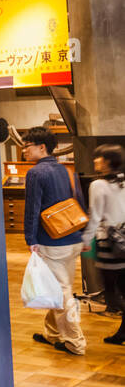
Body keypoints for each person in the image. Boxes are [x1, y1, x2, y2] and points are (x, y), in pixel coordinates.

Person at [22, 126, 86, 354]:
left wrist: (30, 238)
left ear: (41, 147)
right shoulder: (65, 170)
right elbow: (78, 200)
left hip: (52, 241)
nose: (24, 150)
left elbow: (32, 209)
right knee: (62, 286)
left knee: (61, 292)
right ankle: (53, 333)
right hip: (72, 237)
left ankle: (75, 342)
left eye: (27, 146)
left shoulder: (36, 173)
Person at [84, 144, 125, 344]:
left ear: (107, 161)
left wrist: (85, 240)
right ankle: (122, 333)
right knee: (122, 288)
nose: (95, 161)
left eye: (98, 158)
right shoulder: (123, 181)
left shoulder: (98, 185)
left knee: (110, 294)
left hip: (108, 242)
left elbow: (95, 216)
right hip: (124, 239)